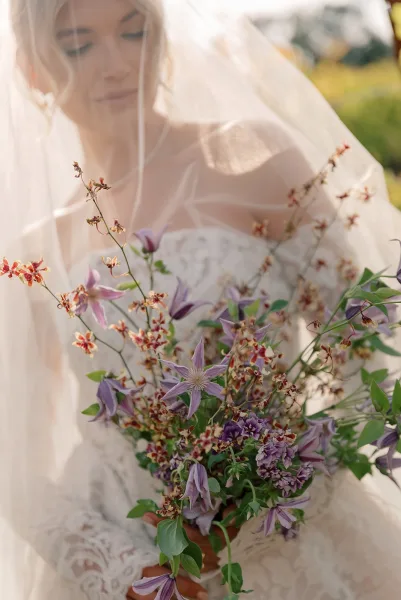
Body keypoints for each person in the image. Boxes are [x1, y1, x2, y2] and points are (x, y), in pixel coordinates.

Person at [0, 1, 400, 599]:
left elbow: (358, 356)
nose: (117, 65)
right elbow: (14, 459)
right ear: (33, 69)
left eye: (134, 34)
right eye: (79, 46)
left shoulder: (255, 161)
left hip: (291, 541)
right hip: (124, 562)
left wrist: (266, 497)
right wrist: (120, 571)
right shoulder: (39, 254)